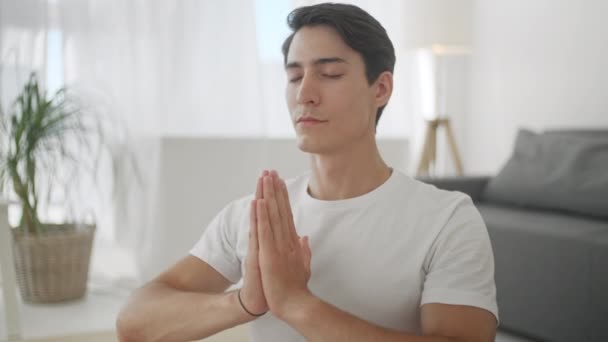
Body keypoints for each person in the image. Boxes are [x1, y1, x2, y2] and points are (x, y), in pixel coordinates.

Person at [116, 3, 498, 342]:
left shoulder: (447, 220)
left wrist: (297, 304)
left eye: (329, 74)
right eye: (295, 77)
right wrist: (246, 302)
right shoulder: (258, 215)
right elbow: (134, 324)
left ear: (380, 88)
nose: (304, 95)